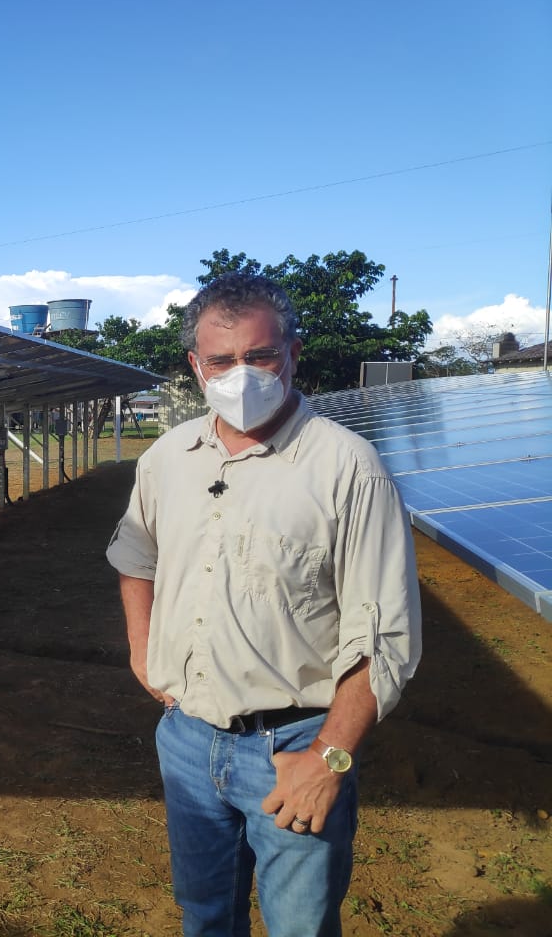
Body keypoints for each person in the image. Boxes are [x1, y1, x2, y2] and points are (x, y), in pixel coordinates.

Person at [105, 271, 421, 937]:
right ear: (195, 365)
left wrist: (330, 758)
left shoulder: (346, 467)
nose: (240, 374)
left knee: (300, 926)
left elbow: (385, 636)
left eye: (260, 356)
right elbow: (135, 558)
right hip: (189, 739)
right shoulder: (169, 458)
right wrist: (143, 649)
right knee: (206, 914)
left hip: (296, 745)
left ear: (292, 354)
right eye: (221, 360)